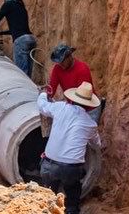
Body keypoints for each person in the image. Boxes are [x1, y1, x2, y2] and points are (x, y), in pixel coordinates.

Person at [37, 81, 102, 214]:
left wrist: (43, 94)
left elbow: (42, 106)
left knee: (47, 200)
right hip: (71, 170)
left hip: (49, 166)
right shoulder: (90, 124)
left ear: (72, 99)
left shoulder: (60, 107)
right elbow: (97, 145)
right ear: (89, 106)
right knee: (72, 201)